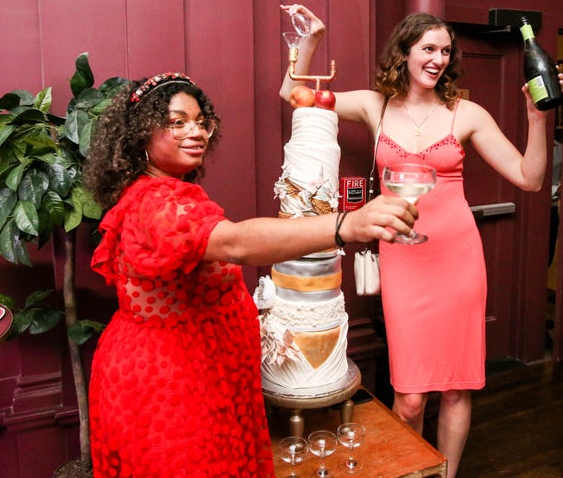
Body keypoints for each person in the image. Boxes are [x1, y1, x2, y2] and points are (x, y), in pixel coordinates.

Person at [83, 71, 417, 477]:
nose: (196, 132)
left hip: (204, 374)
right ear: (140, 135)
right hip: (169, 384)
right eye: (177, 122)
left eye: (201, 122)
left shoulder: (170, 191)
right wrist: (344, 225)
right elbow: (235, 243)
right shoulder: (156, 204)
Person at [279, 4, 563, 478]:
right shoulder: (377, 105)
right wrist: (311, 37)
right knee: (410, 398)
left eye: (445, 51)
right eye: (428, 49)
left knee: (456, 389)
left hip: (457, 258)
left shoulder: (466, 113)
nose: (437, 59)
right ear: (405, 53)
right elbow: (293, 92)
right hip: (403, 258)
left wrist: (537, 119)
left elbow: (530, 177)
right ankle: (413, 471)